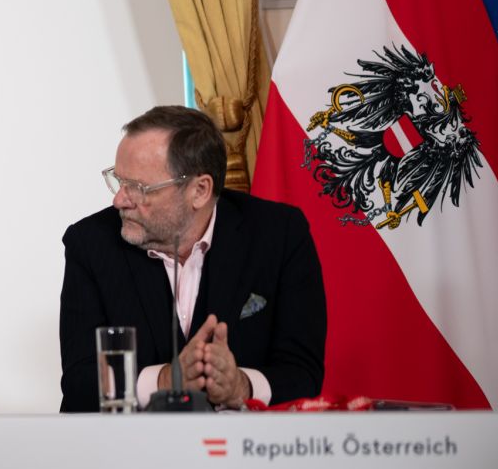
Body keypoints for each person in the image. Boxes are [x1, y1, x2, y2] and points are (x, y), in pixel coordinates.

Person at [58, 105, 325, 412]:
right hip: (128, 451)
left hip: (244, 451)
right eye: (119, 181)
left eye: (139, 188)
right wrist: (165, 380)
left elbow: (303, 372)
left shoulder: (279, 235)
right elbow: (79, 382)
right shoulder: (90, 242)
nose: (119, 200)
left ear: (199, 190)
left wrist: (241, 386)